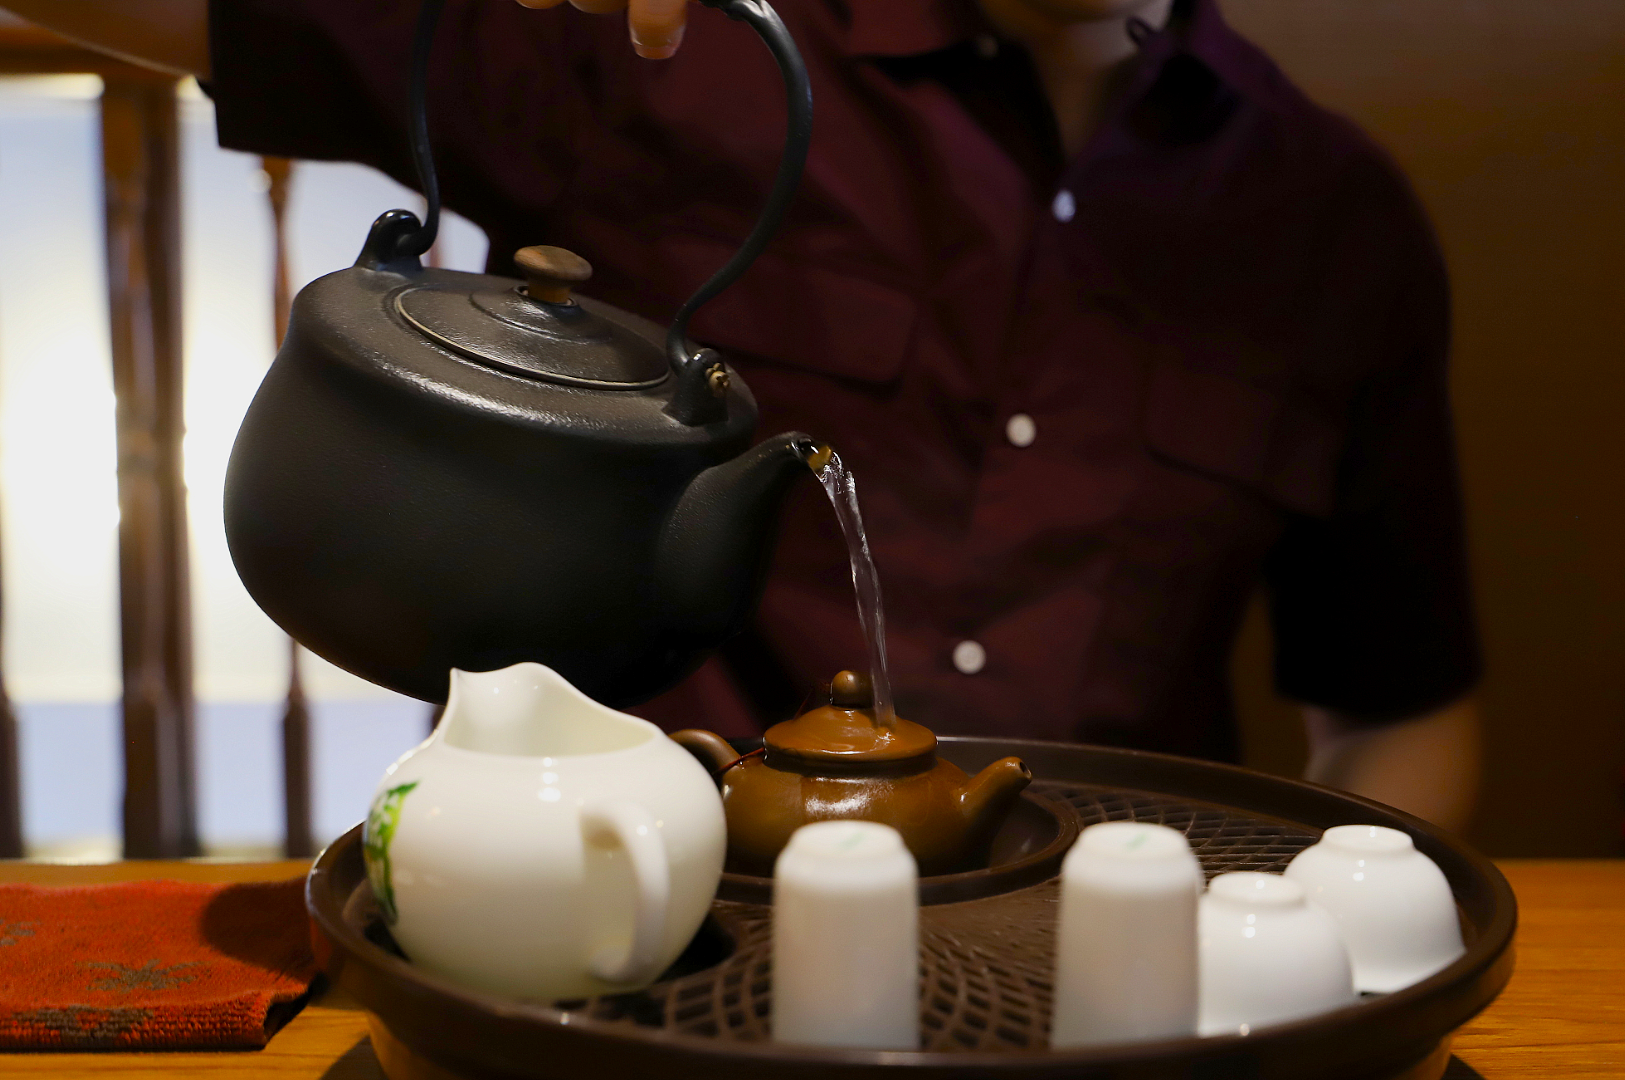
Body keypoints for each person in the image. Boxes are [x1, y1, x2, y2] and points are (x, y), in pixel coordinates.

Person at [5, 0, 1483, 829]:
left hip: (1104, 980)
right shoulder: (662, 41)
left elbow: (1397, 708)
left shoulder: (1332, 215)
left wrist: (1330, 943)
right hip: (637, 950)